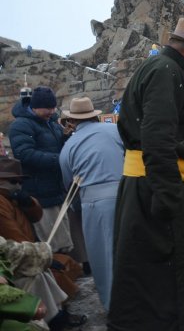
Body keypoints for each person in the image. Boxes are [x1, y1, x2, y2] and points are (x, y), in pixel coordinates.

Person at [108, 18, 184, 331]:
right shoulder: (166, 72)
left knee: (151, 276)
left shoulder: (161, 69)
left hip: (151, 183)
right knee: (171, 275)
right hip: (157, 185)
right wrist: (168, 195)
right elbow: (157, 137)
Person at [0, 157, 85, 330]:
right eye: (13, 181)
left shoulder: (11, 198)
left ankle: (58, 316)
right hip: (12, 263)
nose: (17, 185)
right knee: (39, 274)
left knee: (46, 271)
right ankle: (55, 319)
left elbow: (35, 216)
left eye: (19, 181)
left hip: (24, 253)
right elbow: (12, 238)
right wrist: (39, 254)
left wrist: (29, 203)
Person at [58, 97, 124, 310]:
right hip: (126, 194)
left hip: (93, 202)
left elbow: (69, 185)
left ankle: (112, 306)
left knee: (102, 257)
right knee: (129, 249)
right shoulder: (115, 130)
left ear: (72, 121)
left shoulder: (69, 146)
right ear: (95, 115)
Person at [8, 87, 73, 254]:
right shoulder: (21, 125)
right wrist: (59, 159)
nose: (52, 111)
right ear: (35, 106)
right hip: (40, 193)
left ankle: (67, 274)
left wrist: (65, 138)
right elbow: (24, 154)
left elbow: (55, 146)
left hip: (57, 190)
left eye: (53, 107)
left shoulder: (51, 122)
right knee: (51, 243)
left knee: (64, 240)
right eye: (48, 108)